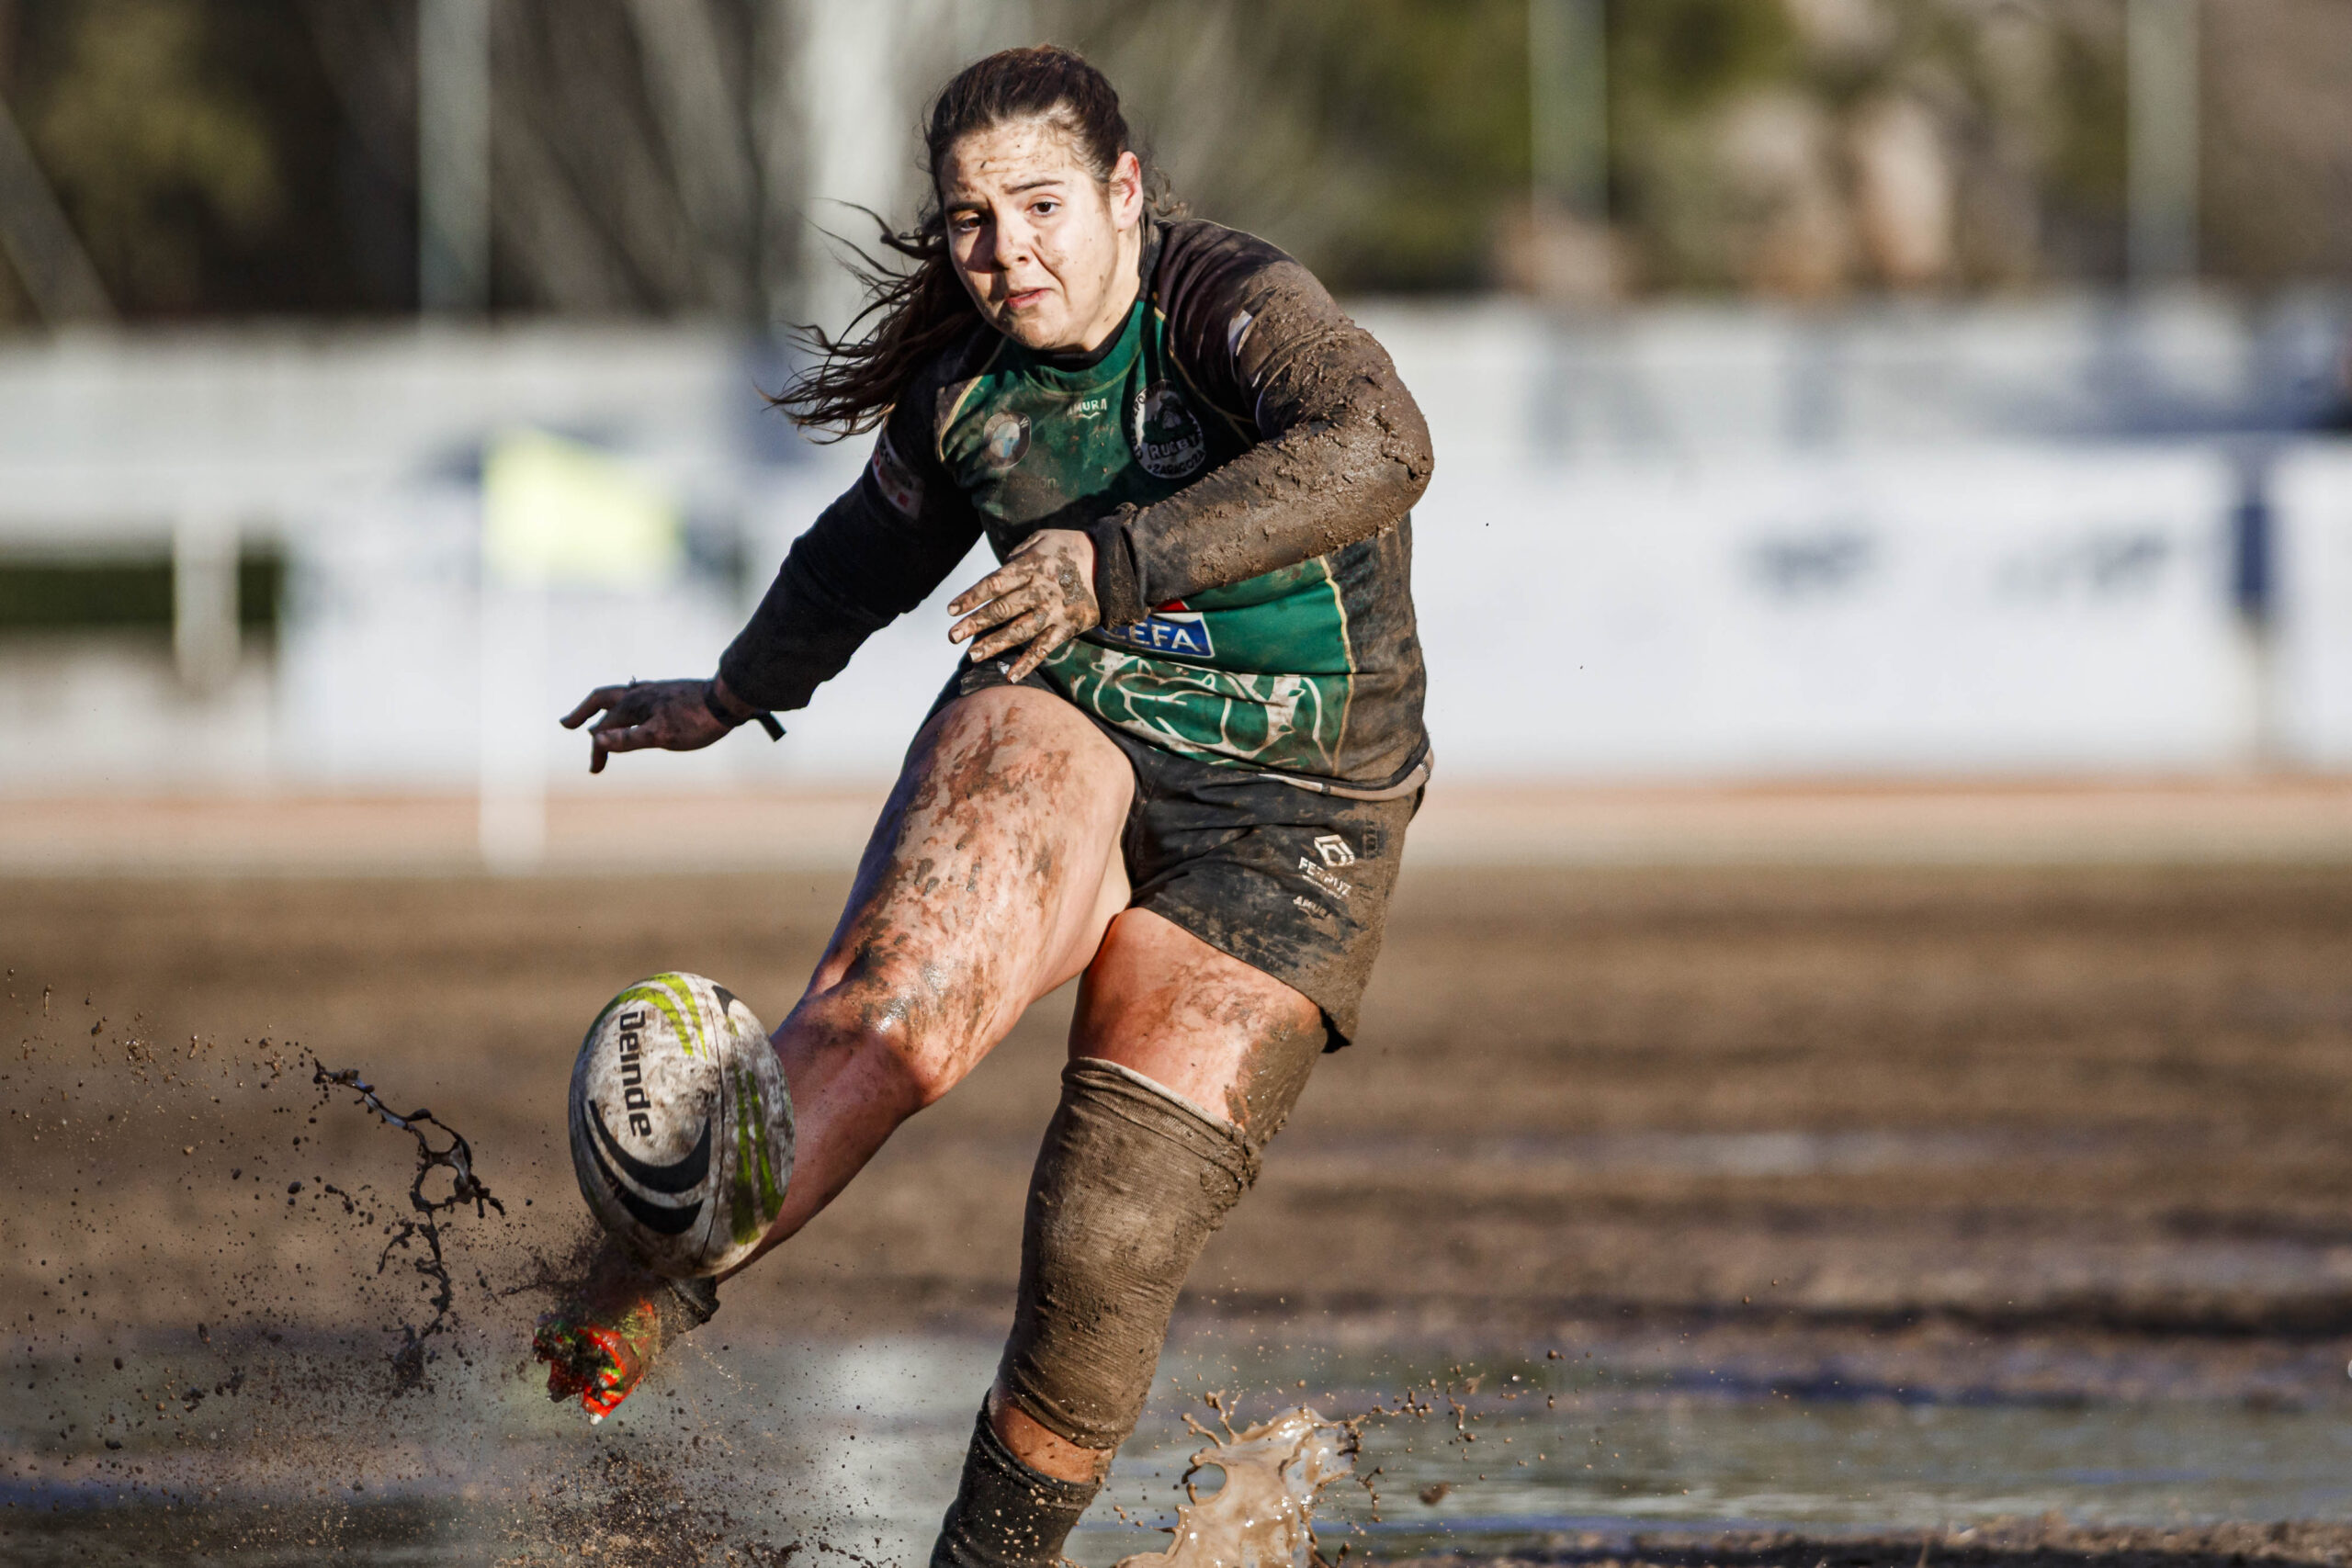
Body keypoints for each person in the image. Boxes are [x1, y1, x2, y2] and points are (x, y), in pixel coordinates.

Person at [538, 44, 1433, 1568]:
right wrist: (736, 691)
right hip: (1070, 713)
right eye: (969, 220)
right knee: (902, 1008)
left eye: (1040, 206)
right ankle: (648, 1287)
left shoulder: (1230, 306)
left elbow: (1383, 445)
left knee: (1108, 1233)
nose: (1006, 252)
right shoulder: (966, 383)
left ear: (1125, 194)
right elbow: (861, 557)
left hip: (1299, 804)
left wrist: (1113, 562)